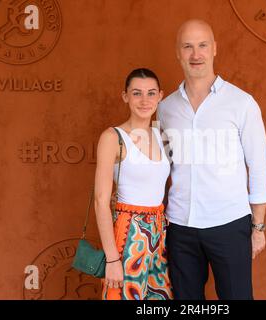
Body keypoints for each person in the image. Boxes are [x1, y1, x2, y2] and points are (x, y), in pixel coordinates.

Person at [157, 19, 266, 300]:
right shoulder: (165, 108)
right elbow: (160, 168)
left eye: (202, 45)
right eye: (188, 47)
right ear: (178, 53)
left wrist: (257, 228)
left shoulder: (241, 103)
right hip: (180, 227)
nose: (196, 54)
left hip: (229, 225)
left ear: (214, 49)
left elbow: (258, 168)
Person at [94, 68, 172, 300]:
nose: (145, 100)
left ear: (160, 96)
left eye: (151, 93)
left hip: (160, 234)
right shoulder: (113, 137)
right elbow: (100, 200)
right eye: (137, 93)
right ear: (125, 96)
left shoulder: (163, 135)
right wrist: (112, 258)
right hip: (129, 233)